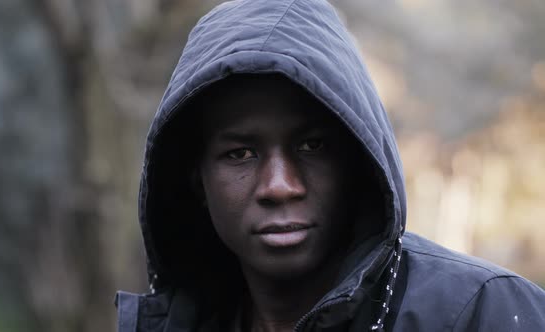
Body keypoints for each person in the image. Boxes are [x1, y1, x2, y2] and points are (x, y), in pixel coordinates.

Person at [115, 0, 545, 331]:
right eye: (240, 154)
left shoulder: (484, 312)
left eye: (312, 145)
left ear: (358, 161)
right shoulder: (175, 323)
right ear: (197, 180)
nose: (280, 186)